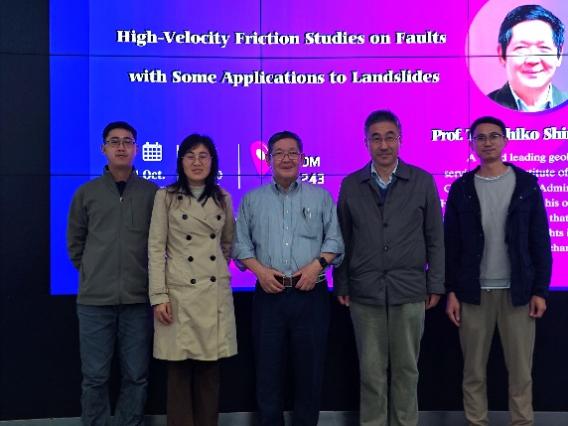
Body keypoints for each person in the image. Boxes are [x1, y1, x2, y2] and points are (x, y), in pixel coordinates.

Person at [333, 110, 445, 426]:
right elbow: (342, 239)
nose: (383, 145)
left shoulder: (422, 181)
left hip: (409, 290)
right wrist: (342, 283)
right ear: (366, 143)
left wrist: (435, 283)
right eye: (376, 138)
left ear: (400, 140)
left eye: (390, 137)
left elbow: (436, 238)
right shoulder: (351, 184)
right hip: (364, 292)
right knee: (371, 372)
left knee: (407, 370)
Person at [445, 116, 552, 426]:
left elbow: (539, 241)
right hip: (472, 293)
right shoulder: (461, 188)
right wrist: (451, 290)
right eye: (480, 138)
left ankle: (522, 422)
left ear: (505, 141)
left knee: (520, 373)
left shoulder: (526, 185)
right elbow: (451, 245)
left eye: (494, 136)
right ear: (471, 145)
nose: (487, 142)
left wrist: (540, 291)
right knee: (473, 372)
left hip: (518, 293)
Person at [232, 130, 344, 426]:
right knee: (267, 375)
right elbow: (240, 246)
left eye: (292, 152)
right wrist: (260, 271)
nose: (286, 158)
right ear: (268, 159)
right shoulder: (252, 200)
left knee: (310, 375)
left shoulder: (320, 197)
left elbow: (335, 241)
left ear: (302, 158)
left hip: (311, 297)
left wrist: (316, 266)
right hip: (268, 298)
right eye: (279, 153)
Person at [67, 121, 158, 426]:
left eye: (127, 141)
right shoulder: (87, 193)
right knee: (95, 377)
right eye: (114, 141)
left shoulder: (152, 193)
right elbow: (75, 243)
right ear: (103, 148)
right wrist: (93, 272)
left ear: (136, 149)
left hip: (138, 301)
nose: (121, 147)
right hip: (94, 302)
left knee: (136, 375)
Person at [148, 134, 237, 426]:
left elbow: (227, 244)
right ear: (181, 161)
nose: (197, 162)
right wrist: (159, 296)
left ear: (212, 161)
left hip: (212, 294)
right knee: (178, 374)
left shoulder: (223, 198)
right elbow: (156, 247)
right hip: (179, 295)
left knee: (209, 374)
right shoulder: (166, 196)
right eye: (190, 156)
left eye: (203, 156)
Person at [488, 4, 567, 112]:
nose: (532, 60)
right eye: (521, 48)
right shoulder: (479, 108)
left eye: (543, 48)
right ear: (502, 54)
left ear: (559, 55)